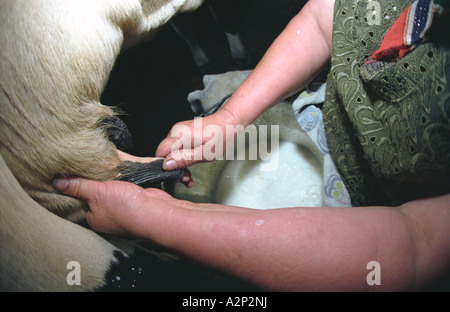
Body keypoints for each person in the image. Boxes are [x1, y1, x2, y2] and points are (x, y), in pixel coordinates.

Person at [54, 0, 450, 291]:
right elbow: (320, 20)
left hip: (372, 215)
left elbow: (414, 245)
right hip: (321, 108)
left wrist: (158, 220)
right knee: (217, 107)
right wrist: (228, 119)